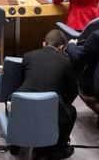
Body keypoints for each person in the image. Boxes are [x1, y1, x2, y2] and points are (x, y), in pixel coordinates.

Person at [16, 29, 78, 159]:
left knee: (13, 98)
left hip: (21, 106)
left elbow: (20, 82)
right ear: (62, 47)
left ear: (44, 43)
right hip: (50, 109)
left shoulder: (28, 56)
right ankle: (58, 149)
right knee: (71, 111)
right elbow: (73, 92)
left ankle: (15, 144)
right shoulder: (67, 62)